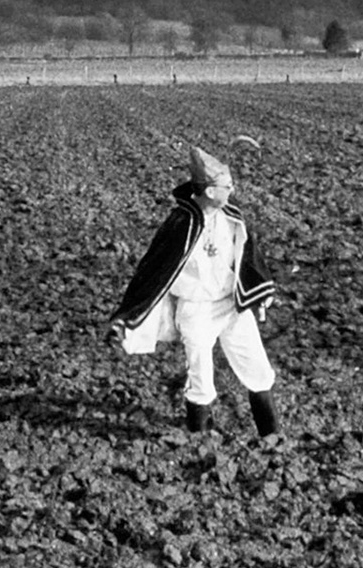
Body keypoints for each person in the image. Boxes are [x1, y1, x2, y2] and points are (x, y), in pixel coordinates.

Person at [107, 146, 281, 439]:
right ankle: (198, 436)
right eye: (227, 185)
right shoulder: (180, 224)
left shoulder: (233, 217)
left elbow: (249, 256)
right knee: (200, 375)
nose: (233, 189)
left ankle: (272, 435)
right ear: (211, 191)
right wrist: (128, 317)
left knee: (256, 366)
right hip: (195, 309)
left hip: (231, 306)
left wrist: (259, 290)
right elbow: (153, 271)